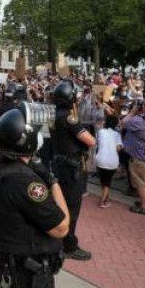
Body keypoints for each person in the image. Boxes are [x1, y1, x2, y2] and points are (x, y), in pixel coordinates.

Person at [0, 107, 69, 288]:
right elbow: (62, 226)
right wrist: (52, 181)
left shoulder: (0, 167)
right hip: (28, 275)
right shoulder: (25, 181)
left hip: (11, 266)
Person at [50, 81, 96, 261]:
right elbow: (90, 141)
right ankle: (69, 245)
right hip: (71, 167)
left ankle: (60, 241)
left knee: (61, 204)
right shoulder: (69, 117)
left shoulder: (54, 114)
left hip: (60, 163)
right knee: (72, 206)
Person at [95, 114, 122, 208]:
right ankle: (102, 202)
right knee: (107, 182)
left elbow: (97, 143)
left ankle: (106, 197)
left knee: (103, 180)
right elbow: (118, 148)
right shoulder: (117, 134)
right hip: (112, 161)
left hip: (100, 159)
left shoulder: (100, 131)